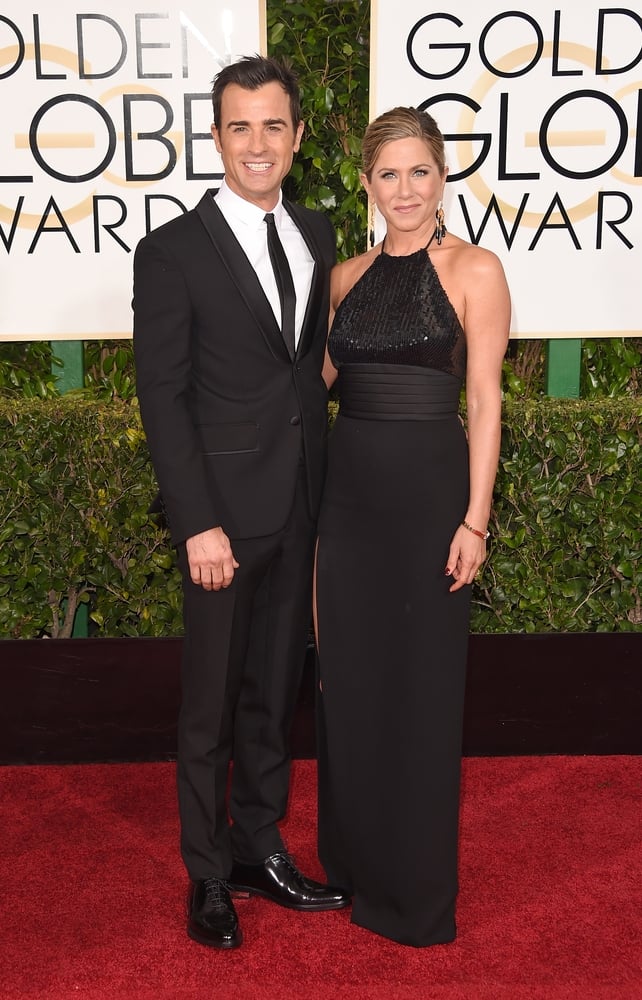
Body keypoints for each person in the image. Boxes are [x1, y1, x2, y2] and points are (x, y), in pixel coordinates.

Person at [133, 55, 350, 951]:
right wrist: (197, 522)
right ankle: (207, 870)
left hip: (302, 502)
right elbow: (163, 394)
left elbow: (312, 365)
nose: (257, 144)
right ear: (216, 136)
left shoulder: (318, 230)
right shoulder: (172, 251)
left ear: (298, 136)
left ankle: (261, 847)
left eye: (273, 126)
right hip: (222, 517)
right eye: (238, 127)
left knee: (273, 692)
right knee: (210, 705)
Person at [315, 106, 511, 947]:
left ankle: (416, 898)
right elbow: (312, 382)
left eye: (420, 172)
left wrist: (476, 519)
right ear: (368, 185)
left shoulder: (475, 269)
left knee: (423, 694)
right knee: (350, 685)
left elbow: (485, 401)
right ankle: (354, 869)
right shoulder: (345, 278)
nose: (405, 189)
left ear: (442, 179)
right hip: (346, 503)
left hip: (432, 502)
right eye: (388, 174)